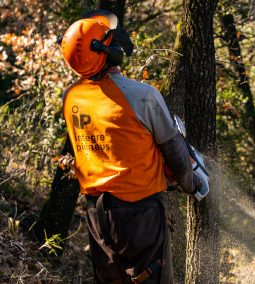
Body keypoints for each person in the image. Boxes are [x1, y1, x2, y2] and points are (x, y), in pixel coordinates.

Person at [60, 10, 202, 283]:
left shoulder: (72, 98)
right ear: (107, 51)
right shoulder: (143, 96)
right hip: (141, 216)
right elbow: (175, 153)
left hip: (97, 215)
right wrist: (190, 183)